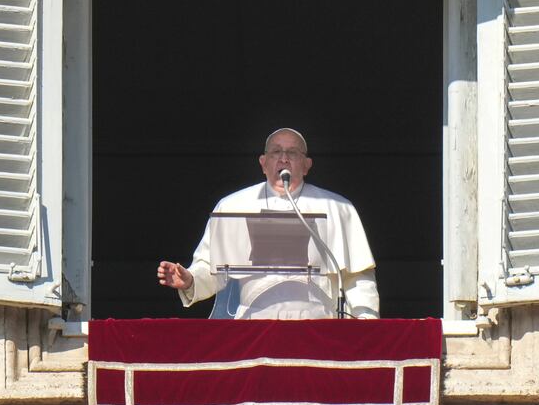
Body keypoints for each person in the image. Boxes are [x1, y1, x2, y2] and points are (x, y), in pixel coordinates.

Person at [157, 128, 379, 319]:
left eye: (292, 152)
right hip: (254, 325)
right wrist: (191, 280)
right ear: (263, 163)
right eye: (276, 152)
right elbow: (212, 268)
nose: (284, 158)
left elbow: (357, 277)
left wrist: (366, 322)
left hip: (317, 324)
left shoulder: (338, 207)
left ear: (306, 165)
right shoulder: (233, 205)